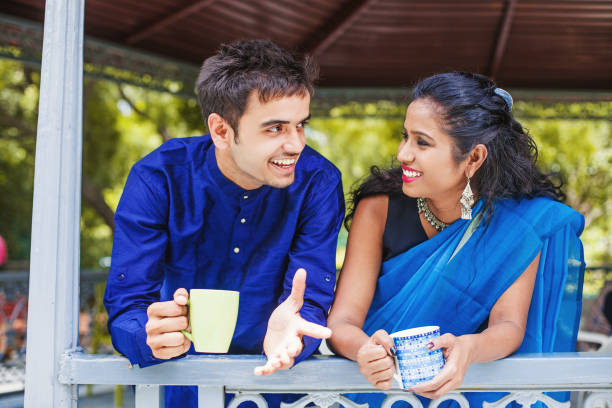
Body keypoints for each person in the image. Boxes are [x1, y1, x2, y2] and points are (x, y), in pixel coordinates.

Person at [103, 39, 344, 407]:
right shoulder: (160, 177)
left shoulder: (318, 182)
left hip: (281, 383)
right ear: (220, 131)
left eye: (301, 125)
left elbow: (307, 301)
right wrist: (147, 335)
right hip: (182, 387)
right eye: (275, 128)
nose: (296, 144)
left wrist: (297, 335)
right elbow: (128, 305)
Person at [326, 72, 585, 407]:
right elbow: (343, 321)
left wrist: (468, 348)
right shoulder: (377, 210)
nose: (403, 153)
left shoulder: (519, 223)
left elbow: (508, 324)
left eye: (422, 142)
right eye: (405, 136)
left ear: (474, 158)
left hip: (470, 394)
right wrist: (364, 350)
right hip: (378, 393)